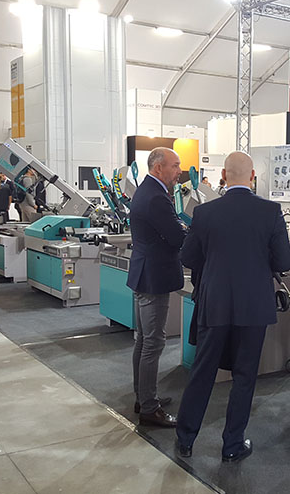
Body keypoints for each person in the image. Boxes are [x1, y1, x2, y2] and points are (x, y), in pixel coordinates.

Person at [175, 152, 290, 462]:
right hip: (253, 306)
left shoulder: (205, 213)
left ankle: (185, 439)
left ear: (224, 176)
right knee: (244, 375)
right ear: (252, 176)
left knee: (202, 371)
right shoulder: (270, 211)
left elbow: (188, 257)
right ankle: (232, 445)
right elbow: (284, 261)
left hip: (214, 303)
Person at [127, 147, 186, 427]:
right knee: (153, 342)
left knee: (143, 340)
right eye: (175, 166)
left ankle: (143, 396)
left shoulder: (146, 191)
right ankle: (150, 408)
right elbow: (176, 236)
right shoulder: (156, 197)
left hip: (144, 272)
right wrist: (190, 231)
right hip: (155, 276)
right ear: (158, 167)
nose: (179, 172)